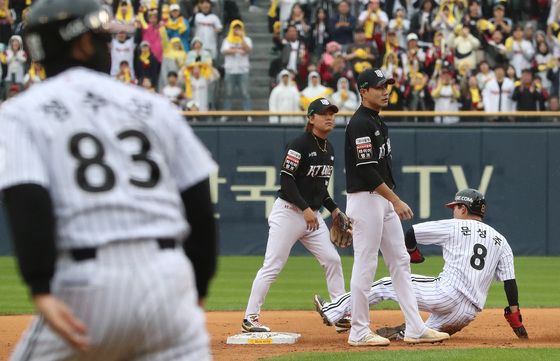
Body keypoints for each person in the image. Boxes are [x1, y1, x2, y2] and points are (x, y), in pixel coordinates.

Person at [3, 1, 217, 360]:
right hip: (169, 279)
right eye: (103, 38)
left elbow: (28, 200)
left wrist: (39, 286)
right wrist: (198, 283)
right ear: (82, 44)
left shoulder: (20, 112)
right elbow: (197, 197)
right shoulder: (152, 105)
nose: (110, 47)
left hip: (87, 284)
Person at [313, 189, 528, 341]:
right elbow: (510, 283)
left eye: (455, 207)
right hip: (466, 313)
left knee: (388, 283)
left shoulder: (455, 226)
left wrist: (413, 253)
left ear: (463, 208)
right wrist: (516, 320)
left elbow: (411, 232)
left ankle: (333, 310)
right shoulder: (501, 241)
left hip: (444, 294)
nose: (453, 211)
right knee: (423, 332)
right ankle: (404, 332)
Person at [344, 68, 450, 347]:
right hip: (365, 198)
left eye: (387, 85)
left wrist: (390, 200)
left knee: (401, 260)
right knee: (366, 263)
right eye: (379, 86)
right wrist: (395, 199)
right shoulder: (359, 124)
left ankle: (415, 327)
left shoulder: (377, 122)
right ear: (364, 91)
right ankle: (358, 331)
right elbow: (366, 170)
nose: (385, 90)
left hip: (381, 199)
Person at [242, 98, 348, 333]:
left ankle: (339, 312)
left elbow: (320, 189)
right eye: (324, 114)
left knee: (332, 260)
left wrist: (335, 209)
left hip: (312, 217)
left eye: (332, 113)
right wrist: (305, 208)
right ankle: (250, 318)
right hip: (289, 213)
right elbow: (286, 181)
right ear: (311, 119)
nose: (330, 117)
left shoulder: (328, 149)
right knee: (272, 266)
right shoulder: (299, 144)